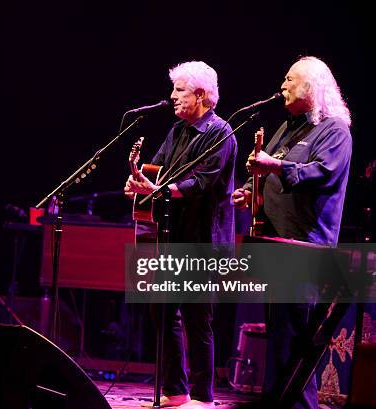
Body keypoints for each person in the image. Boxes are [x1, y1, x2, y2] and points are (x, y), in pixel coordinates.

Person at [232, 56, 352, 409]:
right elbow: (268, 170)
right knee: (280, 339)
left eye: (289, 80)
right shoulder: (289, 127)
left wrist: (274, 165)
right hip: (276, 245)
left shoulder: (335, 131)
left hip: (305, 249)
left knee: (295, 343)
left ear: (311, 87)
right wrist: (249, 190)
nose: (281, 86)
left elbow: (321, 173)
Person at [125, 61, 237, 408]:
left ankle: (203, 399)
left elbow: (202, 183)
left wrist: (161, 189)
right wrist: (139, 183)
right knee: (161, 309)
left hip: (204, 240)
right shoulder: (178, 131)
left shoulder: (222, 133)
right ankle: (176, 391)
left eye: (180, 91)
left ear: (201, 95)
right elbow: (155, 171)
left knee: (196, 318)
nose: (172, 97)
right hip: (173, 238)